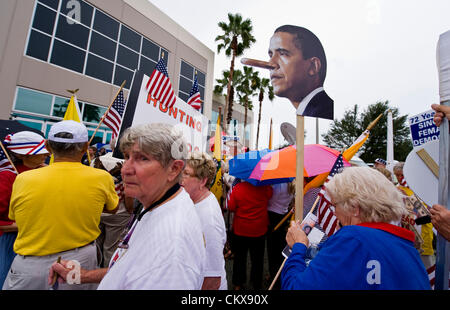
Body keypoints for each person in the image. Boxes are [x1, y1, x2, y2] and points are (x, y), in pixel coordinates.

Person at [48, 123, 206, 289]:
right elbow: (132, 269)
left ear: (174, 169)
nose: (125, 169)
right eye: (127, 156)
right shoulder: (158, 202)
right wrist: (84, 275)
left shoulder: (171, 249)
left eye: (143, 158)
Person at [3, 120, 119, 290]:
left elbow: (14, 216)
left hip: (30, 263)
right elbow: (112, 208)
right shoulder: (101, 178)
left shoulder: (23, 179)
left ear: (48, 147)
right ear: (86, 146)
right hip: (79, 260)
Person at [282, 166, 430, 289]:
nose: (334, 212)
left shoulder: (353, 239)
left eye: (335, 205)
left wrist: (298, 247)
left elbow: (296, 287)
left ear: (354, 208)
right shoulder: (406, 247)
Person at [0, 131, 49, 288]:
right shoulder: (7, 176)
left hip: (39, 238)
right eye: (39, 151)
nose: (46, 154)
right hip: (11, 241)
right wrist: (24, 225)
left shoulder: (44, 171)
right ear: (23, 155)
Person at [181, 151, 227, 290]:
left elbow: (213, 278)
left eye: (186, 174)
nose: (180, 178)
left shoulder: (209, 220)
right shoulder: (193, 200)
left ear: (203, 181)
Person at [268, 25, 333, 120]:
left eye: (283, 54)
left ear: (313, 66)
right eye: (271, 55)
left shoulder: (325, 113)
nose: (270, 64)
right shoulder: (313, 112)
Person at [93, 138, 133, 268]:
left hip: (98, 209)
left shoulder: (96, 161)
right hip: (119, 211)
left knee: (95, 245)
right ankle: (105, 275)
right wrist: (130, 210)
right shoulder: (126, 164)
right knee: (110, 248)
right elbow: (128, 191)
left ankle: (94, 270)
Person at [227, 181, 273, 290]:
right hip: (259, 230)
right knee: (258, 259)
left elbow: (231, 207)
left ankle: (238, 283)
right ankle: (257, 283)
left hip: (241, 229)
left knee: (239, 258)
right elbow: (270, 197)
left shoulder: (238, 188)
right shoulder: (265, 187)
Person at [266, 181, 293, 288]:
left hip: (273, 216)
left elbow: (270, 200)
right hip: (283, 215)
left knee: (272, 250)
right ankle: (278, 275)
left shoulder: (279, 185)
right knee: (280, 248)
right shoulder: (291, 184)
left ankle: (274, 277)